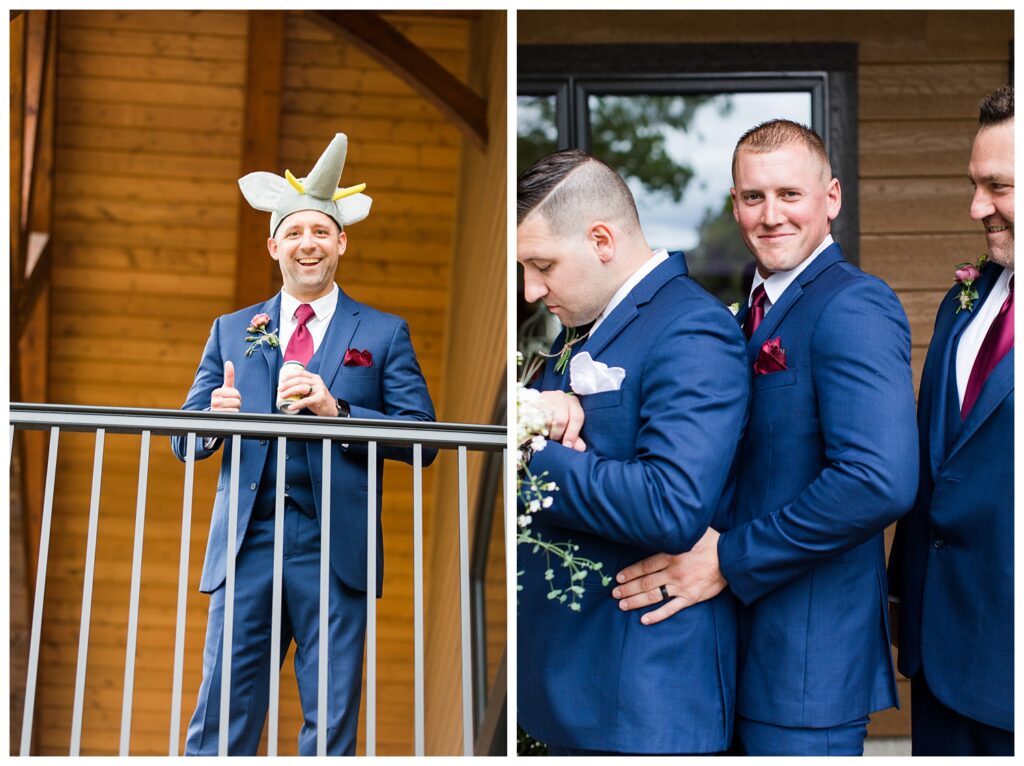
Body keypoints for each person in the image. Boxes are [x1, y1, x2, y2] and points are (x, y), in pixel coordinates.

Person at [614, 120, 919, 755]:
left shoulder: (854, 304)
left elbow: (876, 481)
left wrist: (728, 558)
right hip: (726, 655)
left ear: (831, 198)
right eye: (753, 197)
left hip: (805, 667)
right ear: (734, 205)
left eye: (790, 194)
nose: (770, 215)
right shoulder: (742, 309)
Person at [171, 133, 435, 755]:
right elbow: (185, 438)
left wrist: (336, 410)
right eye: (294, 233)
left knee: (332, 717)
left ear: (341, 240)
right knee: (222, 713)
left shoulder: (383, 332)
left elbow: (422, 439)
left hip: (334, 547)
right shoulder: (232, 329)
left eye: (320, 231)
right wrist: (213, 417)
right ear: (274, 247)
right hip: (247, 546)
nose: (307, 244)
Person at [516, 149, 750, 755]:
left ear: (601, 239)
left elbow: (670, 506)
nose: (532, 289)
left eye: (541, 265)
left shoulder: (690, 327)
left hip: (642, 698)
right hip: (568, 688)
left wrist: (527, 449)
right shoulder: (577, 333)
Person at [887, 86, 1014, 756]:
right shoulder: (960, 303)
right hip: (937, 654)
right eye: (974, 185)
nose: (975, 208)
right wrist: (903, 600)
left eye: (997, 186)